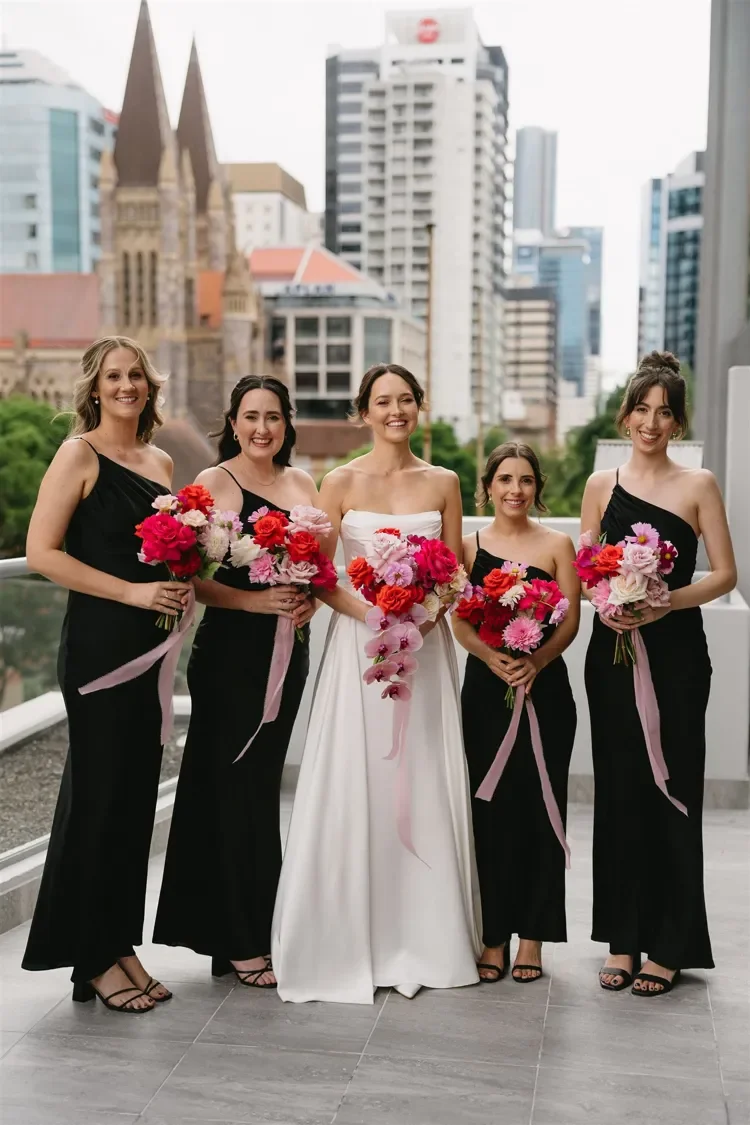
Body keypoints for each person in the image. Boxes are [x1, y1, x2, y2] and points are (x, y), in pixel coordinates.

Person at [271, 363, 481, 1003]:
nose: (396, 410)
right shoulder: (339, 481)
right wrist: (376, 615)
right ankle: (345, 937)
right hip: (359, 655)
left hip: (424, 650)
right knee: (357, 779)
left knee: (419, 775)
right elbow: (317, 571)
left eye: (406, 400)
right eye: (383, 401)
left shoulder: (443, 482)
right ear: (363, 411)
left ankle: (424, 934)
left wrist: (421, 614)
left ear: (420, 406)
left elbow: (452, 576)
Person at [22, 336, 192, 1013]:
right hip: (99, 647)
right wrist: (131, 594)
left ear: (151, 387)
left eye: (137, 376)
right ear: (94, 388)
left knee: (131, 804)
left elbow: (164, 551)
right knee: (97, 802)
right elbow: (40, 552)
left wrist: (179, 580)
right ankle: (92, 958)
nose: (127, 386)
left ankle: (119, 944)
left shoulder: (161, 460)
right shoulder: (78, 453)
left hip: (152, 645)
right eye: (115, 376)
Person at [153, 376, 316, 988]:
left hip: (286, 656)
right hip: (228, 657)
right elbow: (189, 577)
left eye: (273, 417)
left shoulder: (303, 485)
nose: (262, 428)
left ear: (286, 423)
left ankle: (246, 931)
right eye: (251, 416)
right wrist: (255, 605)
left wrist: (306, 606)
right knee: (227, 788)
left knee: (259, 789)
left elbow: (314, 578)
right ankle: (241, 938)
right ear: (234, 420)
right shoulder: (212, 484)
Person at [582, 351, 736, 996]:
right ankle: (621, 939)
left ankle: (669, 944)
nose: (651, 422)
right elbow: (589, 564)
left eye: (664, 412)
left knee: (671, 787)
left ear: (677, 423)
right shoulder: (599, 483)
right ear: (625, 415)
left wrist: (665, 599)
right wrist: (608, 602)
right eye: (642, 409)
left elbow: (726, 575)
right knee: (618, 792)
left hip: (675, 657)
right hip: (611, 654)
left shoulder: (698, 485)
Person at [455, 443, 579, 984]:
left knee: (540, 809)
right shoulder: (466, 546)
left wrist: (537, 661)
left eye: (526, 480)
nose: (515, 489)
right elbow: (457, 621)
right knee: (491, 812)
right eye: (504, 478)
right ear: (487, 486)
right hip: (485, 690)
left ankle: (534, 937)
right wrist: (492, 657)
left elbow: (570, 621)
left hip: (545, 692)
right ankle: (493, 934)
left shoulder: (557, 544)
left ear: (538, 487)